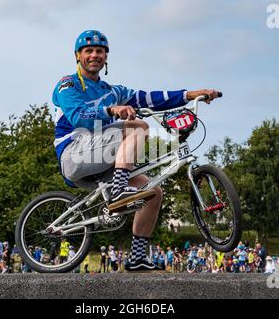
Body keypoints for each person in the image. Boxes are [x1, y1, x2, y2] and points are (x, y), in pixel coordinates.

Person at [52, 30, 220, 272]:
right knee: (137, 127)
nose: (94, 55)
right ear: (78, 56)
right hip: (74, 154)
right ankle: (120, 189)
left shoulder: (114, 91)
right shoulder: (68, 84)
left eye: (100, 51)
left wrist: (190, 94)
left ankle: (138, 257)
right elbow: (78, 116)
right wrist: (112, 111)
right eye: (88, 51)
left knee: (153, 192)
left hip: (102, 162)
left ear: (106, 57)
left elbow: (149, 98)